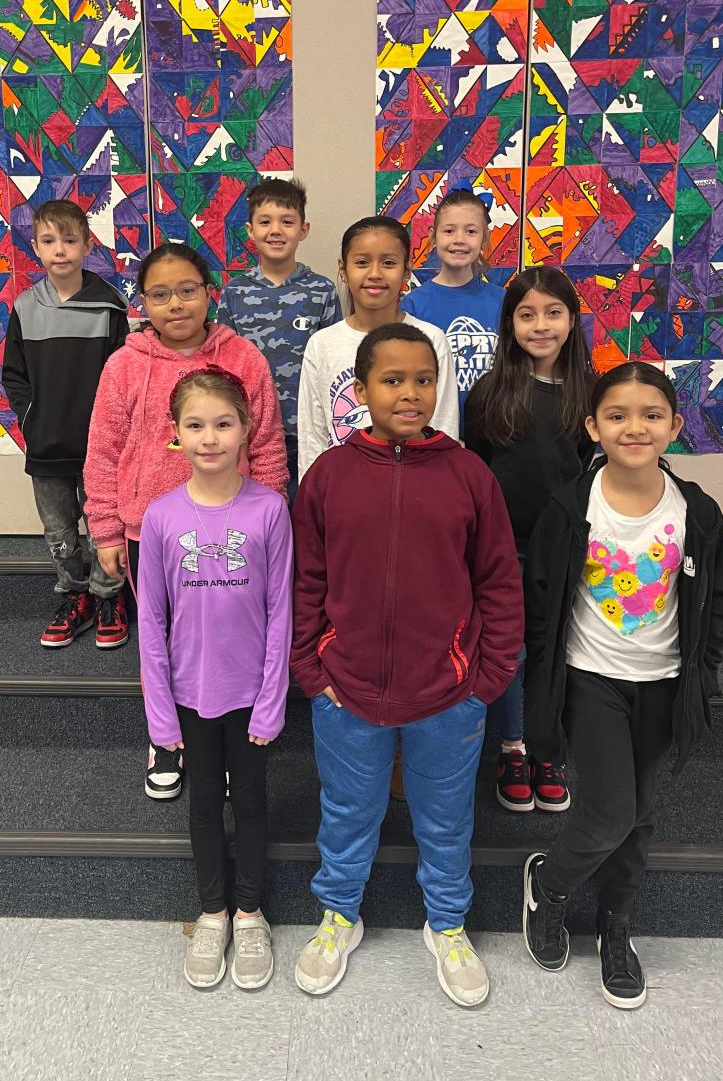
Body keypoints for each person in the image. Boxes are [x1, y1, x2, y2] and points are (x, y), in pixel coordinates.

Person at [291, 323, 523, 1005]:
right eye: (393, 380)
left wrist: (484, 680)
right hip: (347, 688)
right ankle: (338, 915)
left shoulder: (467, 474)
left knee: (446, 818)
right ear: (360, 391)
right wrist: (315, 670)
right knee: (347, 811)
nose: (410, 393)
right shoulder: (329, 475)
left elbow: (500, 583)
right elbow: (306, 580)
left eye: (423, 379)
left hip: (448, 694)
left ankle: (447, 924)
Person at [521, 362, 723, 1010]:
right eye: (616, 415)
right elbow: (541, 603)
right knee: (610, 809)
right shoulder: (569, 508)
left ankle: (617, 926)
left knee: (638, 817)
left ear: (674, 425)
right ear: (592, 426)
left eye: (649, 415)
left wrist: (705, 669)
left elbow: (714, 601)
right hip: (592, 682)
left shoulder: (695, 511)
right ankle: (550, 892)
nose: (633, 427)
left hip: (662, 685)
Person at [84, 242, 288, 801]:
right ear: (143, 303)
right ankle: (166, 738)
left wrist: (267, 522)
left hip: (236, 534)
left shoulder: (243, 358)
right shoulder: (124, 365)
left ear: (209, 293)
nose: (175, 304)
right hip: (149, 532)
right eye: (159, 294)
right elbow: (102, 450)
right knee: (161, 636)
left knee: (225, 637)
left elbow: (267, 444)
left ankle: (224, 737)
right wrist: (104, 529)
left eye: (187, 290)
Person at [138, 369, 292, 990]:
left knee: (250, 804)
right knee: (204, 805)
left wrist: (272, 700)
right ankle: (212, 913)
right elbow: (150, 619)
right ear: (175, 434)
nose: (209, 438)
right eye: (195, 425)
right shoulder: (160, 516)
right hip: (187, 697)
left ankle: (249, 914)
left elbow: (283, 609)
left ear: (246, 429)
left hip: (250, 695)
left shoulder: (270, 510)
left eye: (222, 424)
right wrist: (159, 714)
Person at [464, 267, 594, 815]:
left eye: (553, 313)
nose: (540, 326)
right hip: (506, 549)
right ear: (509, 322)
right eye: (527, 314)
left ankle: (548, 750)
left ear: (572, 319)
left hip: (569, 550)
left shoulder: (593, 394)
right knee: (512, 652)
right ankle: (513, 747)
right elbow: (474, 476)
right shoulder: (491, 393)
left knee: (557, 648)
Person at [2, 199, 129, 650]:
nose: (61, 250)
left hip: (101, 447)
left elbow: (122, 376)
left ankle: (108, 596)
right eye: (49, 241)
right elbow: (14, 375)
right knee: (59, 531)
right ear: (35, 248)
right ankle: (73, 596)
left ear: (87, 246)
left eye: (70, 240)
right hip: (47, 447)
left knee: (103, 527)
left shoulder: (109, 306)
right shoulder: (24, 307)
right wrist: (31, 418)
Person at [296, 215, 459, 479]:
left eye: (388, 263)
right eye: (362, 262)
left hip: (419, 486)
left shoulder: (430, 339)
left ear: (406, 270)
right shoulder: (322, 344)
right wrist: (312, 496)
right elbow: (312, 437)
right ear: (343, 268)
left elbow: (443, 427)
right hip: (344, 490)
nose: (374, 274)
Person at [217, 178, 340, 500]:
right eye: (265, 222)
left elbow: (333, 363)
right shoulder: (234, 293)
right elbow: (221, 367)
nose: (276, 230)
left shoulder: (322, 291)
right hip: (249, 435)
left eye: (287, 222)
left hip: (307, 433)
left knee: (305, 520)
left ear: (304, 229)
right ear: (250, 230)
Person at [401, 183, 505, 422]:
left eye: (471, 231)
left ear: (484, 239)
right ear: (433, 238)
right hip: (434, 428)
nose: (459, 240)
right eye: (449, 231)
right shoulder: (413, 305)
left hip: (491, 428)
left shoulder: (502, 301)